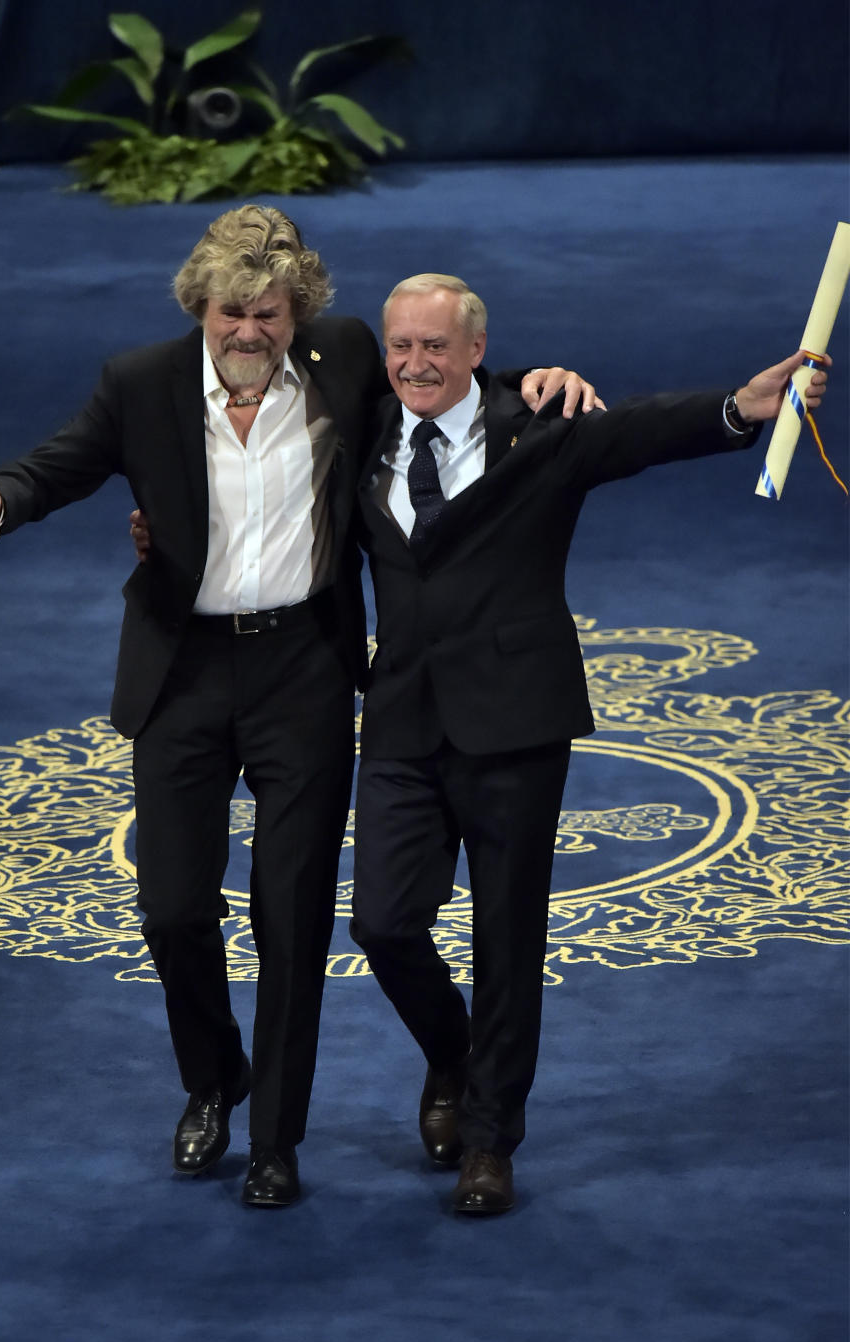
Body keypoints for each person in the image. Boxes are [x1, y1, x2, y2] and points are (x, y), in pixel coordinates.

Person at [0, 207, 595, 1208]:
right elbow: (56, 464)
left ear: (301, 318)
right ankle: (215, 1079)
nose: (249, 333)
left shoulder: (346, 360)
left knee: (290, 920)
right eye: (230, 313)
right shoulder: (141, 382)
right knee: (169, 909)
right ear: (198, 308)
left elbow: (441, 383)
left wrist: (537, 384)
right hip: (182, 673)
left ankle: (277, 1141)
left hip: (303, 670)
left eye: (270, 315)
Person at [348, 273, 830, 1216]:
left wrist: (740, 409)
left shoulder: (543, 427)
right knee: (382, 924)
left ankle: (491, 1138)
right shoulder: (360, 429)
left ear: (475, 351)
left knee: (507, 939)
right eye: (401, 345)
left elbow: (639, 434)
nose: (415, 363)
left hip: (517, 721)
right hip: (402, 716)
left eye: (436, 347)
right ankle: (454, 1054)